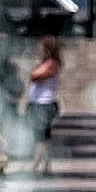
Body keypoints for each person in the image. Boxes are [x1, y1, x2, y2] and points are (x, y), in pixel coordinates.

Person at [26, 36, 61, 176]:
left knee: (40, 137)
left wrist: (37, 68)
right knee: (43, 138)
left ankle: (35, 166)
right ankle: (46, 167)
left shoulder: (52, 64)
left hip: (44, 104)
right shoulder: (46, 63)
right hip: (38, 103)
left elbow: (34, 76)